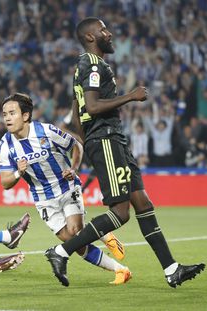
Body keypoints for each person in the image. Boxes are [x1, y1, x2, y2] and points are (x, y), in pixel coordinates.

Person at [45, 17, 205, 287]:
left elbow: (77, 112)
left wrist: (85, 146)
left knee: (142, 203)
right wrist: (131, 96)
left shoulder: (86, 66)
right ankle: (61, 251)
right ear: (90, 37)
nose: (109, 33)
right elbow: (92, 107)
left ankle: (171, 269)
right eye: (103, 29)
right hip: (106, 138)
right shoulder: (92, 64)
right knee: (120, 212)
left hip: (110, 140)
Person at [0, 92, 130, 285]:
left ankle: (102, 235)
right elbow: (5, 182)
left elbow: (76, 146)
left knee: (76, 231)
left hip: (66, 187)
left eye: (12, 113)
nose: (7, 118)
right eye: (4, 114)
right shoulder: (5, 145)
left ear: (25, 116)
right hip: (43, 198)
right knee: (73, 242)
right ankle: (120, 268)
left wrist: (73, 168)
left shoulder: (46, 131)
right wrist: (18, 173)